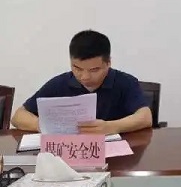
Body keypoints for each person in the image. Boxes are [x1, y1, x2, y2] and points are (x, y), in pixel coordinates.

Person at [11, 30, 152, 134]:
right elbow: (18, 116)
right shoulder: (60, 84)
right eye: (77, 68)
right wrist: (44, 126)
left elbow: (145, 117)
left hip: (116, 156)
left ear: (108, 62)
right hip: (70, 155)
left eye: (94, 70)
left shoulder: (125, 82)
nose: (84, 77)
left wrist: (111, 127)